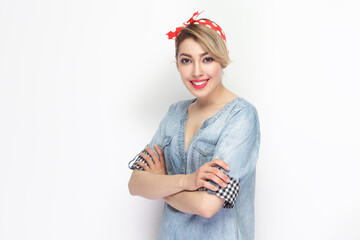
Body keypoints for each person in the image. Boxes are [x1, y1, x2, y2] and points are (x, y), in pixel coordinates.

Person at [128, 11, 260, 240]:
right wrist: (187, 181)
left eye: (207, 58)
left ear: (223, 58)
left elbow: (207, 205)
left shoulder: (241, 116)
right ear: (177, 64)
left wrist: (162, 186)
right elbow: (136, 184)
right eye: (186, 60)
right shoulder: (174, 114)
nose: (197, 71)